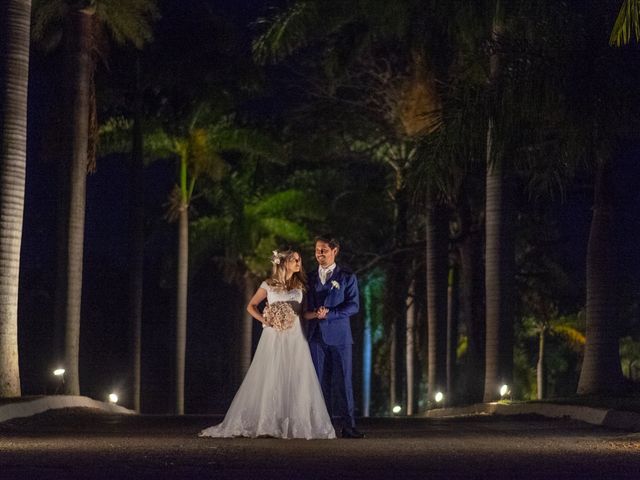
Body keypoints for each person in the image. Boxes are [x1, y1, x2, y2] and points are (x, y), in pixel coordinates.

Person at [199, 249, 336, 439]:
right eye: (294, 260)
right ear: (284, 262)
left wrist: (318, 314)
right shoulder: (268, 285)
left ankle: (293, 423)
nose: (299, 263)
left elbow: (303, 314)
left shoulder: (301, 287)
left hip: (296, 337)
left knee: (295, 376)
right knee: (271, 375)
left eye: (299, 260)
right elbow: (251, 306)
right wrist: (267, 320)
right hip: (274, 337)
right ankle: (267, 422)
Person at [307, 234, 364, 439]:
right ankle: (324, 426)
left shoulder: (347, 277)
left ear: (334, 251)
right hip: (316, 337)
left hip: (340, 338)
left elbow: (354, 305)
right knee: (319, 382)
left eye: (323, 249)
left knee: (343, 382)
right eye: (316, 250)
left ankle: (349, 426)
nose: (319, 253)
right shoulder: (310, 277)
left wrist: (330, 314)